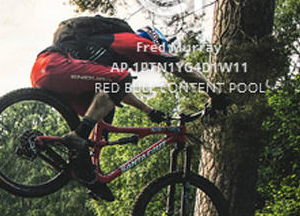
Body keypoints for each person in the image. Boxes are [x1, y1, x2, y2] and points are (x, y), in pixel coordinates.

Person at [30, 16, 230, 201]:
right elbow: (179, 67)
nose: (149, 67)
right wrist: (214, 94)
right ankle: (78, 136)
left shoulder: (111, 53)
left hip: (48, 72)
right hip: (56, 66)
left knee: (105, 112)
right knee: (121, 80)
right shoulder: (136, 42)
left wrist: (148, 110)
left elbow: (115, 92)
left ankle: (89, 173)